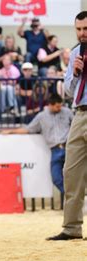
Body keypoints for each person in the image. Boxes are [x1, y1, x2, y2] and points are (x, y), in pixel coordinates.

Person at [46, 11, 87, 241]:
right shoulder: (74, 55)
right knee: (70, 172)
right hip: (79, 114)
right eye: (79, 29)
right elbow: (70, 91)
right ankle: (72, 228)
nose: (82, 34)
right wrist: (78, 72)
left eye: (86, 29)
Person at [1, 94, 72, 195]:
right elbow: (28, 129)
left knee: (75, 176)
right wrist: (11, 131)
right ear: (50, 105)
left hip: (69, 148)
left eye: (60, 105)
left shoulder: (67, 112)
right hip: (55, 150)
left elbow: (75, 125)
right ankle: (72, 198)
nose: (59, 108)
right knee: (56, 179)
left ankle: (75, 198)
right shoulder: (41, 116)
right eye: (57, 106)